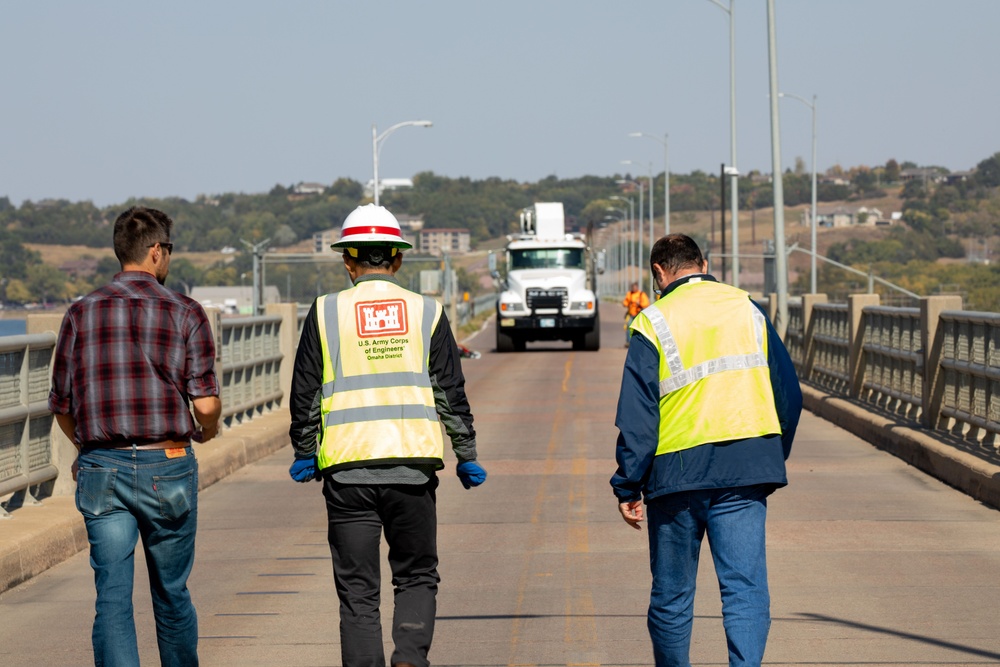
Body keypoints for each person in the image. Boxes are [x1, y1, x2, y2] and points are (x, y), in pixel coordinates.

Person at [288, 203, 486, 667]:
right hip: (411, 473)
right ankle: (409, 659)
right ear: (397, 259)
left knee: (358, 591)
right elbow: (449, 392)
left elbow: (306, 393)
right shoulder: (426, 312)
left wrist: (304, 450)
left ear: (347, 260)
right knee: (416, 576)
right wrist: (466, 453)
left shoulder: (325, 312)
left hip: (346, 473)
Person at [611, 234, 802, 666]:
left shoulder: (652, 321)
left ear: (658, 273)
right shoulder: (748, 309)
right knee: (745, 590)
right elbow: (788, 393)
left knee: (673, 595)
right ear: (705, 262)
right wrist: (771, 452)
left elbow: (638, 420)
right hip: (747, 471)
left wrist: (628, 486)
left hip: (676, 477)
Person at [49, 206, 222, 667]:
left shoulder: (80, 312)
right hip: (167, 463)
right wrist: (208, 429)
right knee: (170, 592)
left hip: (101, 466)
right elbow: (205, 404)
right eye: (169, 251)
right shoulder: (185, 311)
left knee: (112, 595)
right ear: (155, 252)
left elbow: (62, 407)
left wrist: (87, 448)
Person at [622, 281, 650, 347]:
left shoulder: (641, 294)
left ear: (637, 287)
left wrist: (639, 304)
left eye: (635, 287)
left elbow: (646, 303)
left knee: (639, 328)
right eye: (633, 287)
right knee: (629, 326)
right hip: (631, 314)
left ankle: (640, 342)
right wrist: (628, 303)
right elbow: (625, 302)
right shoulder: (630, 294)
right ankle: (628, 342)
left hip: (639, 314)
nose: (634, 288)